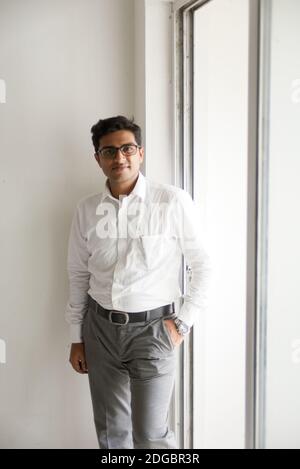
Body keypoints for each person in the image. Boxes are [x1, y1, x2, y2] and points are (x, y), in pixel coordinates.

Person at [65, 115, 210, 449]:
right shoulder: (86, 210)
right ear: (98, 158)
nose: (119, 158)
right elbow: (78, 275)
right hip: (99, 330)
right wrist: (77, 337)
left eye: (127, 149)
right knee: (111, 434)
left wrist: (183, 323)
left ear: (140, 153)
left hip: (154, 330)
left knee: (151, 435)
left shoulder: (171, 201)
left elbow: (203, 265)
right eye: (109, 151)